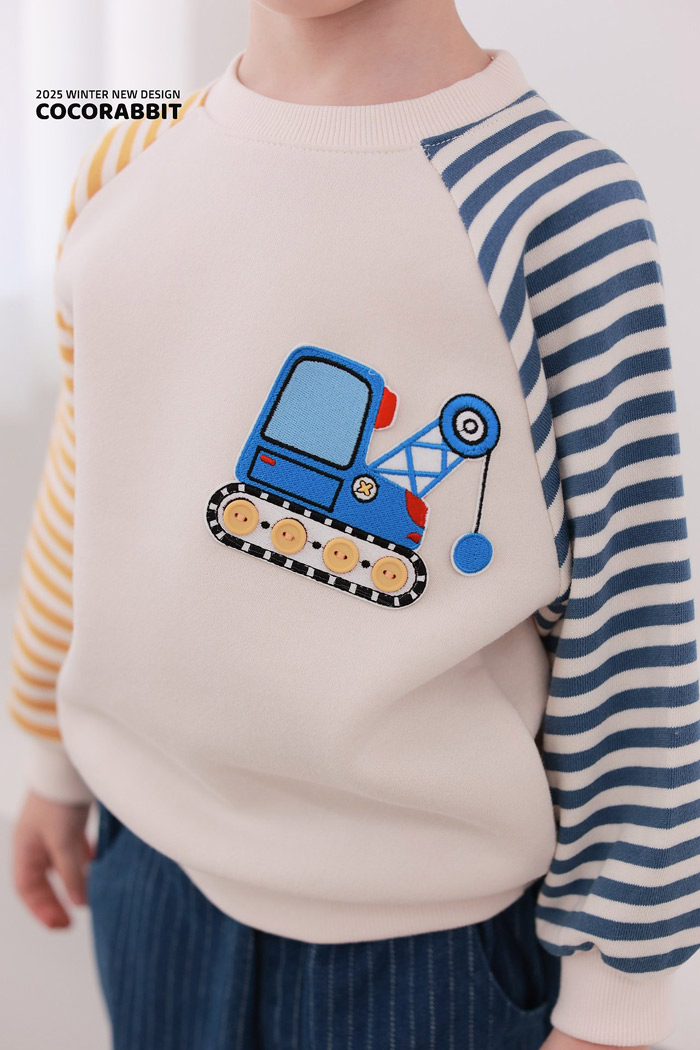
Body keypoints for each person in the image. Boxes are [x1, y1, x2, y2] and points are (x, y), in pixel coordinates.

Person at [9, 1, 700, 1048]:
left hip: (428, 948)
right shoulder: (129, 162)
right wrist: (52, 761)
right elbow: (84, 490)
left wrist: (619, 995)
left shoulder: (558, 210)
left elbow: (631, 623)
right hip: (153, 878)